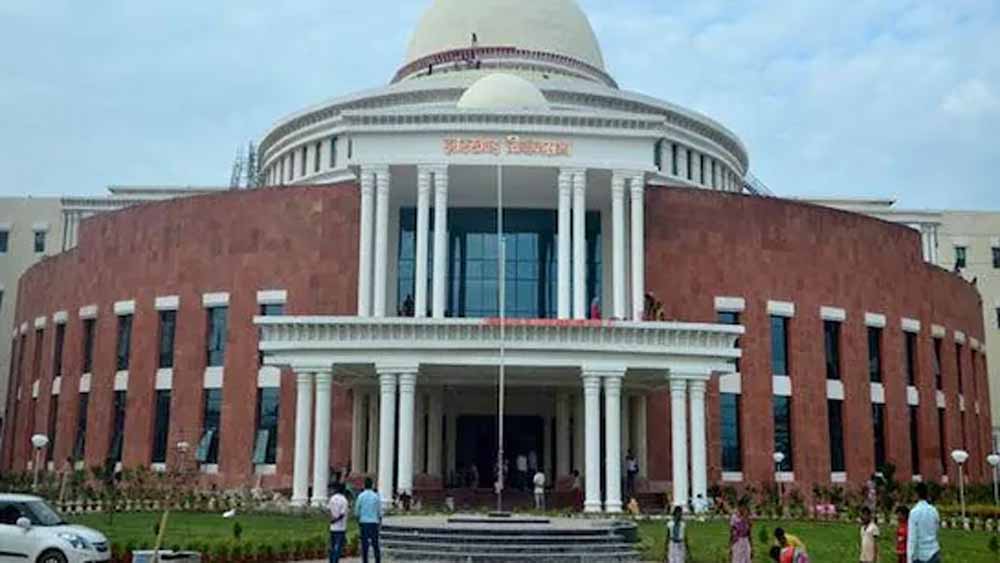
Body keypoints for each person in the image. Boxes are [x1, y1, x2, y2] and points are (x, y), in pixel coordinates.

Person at [907, 482, 940, 563]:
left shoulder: (914, 512)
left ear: (916, 494)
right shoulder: (934, 510)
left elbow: (912, 537)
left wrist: (909, 558)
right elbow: (936, 529)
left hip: (920, 554)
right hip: (933, 551)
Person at [355, 477, 383, 563]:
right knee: (375, 544)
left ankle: (365, 561)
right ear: (372, 485)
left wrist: (358, 521)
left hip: (364, 523)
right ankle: (377, 560)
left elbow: (356, 511)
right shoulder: (376, 496)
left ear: (364, 485)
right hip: (374, 523)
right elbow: (379, 511)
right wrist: (380, 522)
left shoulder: (361, 496)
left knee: (364, 544)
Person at [328, 482, 349, 563]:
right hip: (341, 527)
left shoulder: (332, 498)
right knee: (338, 547)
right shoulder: (344, 500)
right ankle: (335, 561)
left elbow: (329, 510)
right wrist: (335, 520)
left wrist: (331, 519)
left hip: (332, 527)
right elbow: (342, 514)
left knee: (332, 546)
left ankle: (331, 560)